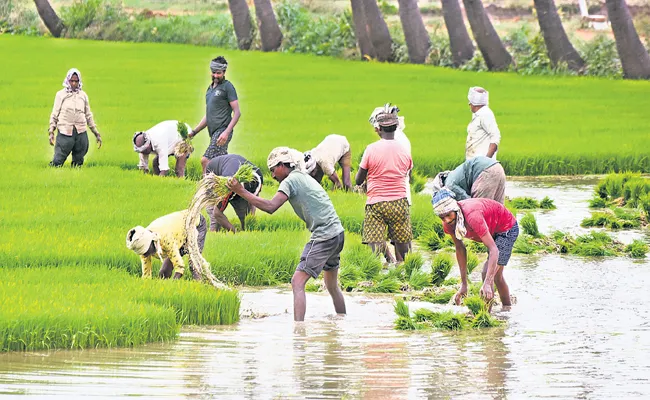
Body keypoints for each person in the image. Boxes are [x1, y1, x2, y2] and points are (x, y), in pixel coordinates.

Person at [226, 147, 346, 322]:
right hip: (337, 234)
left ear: (283, 165)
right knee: (331, 285)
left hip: (324, 235)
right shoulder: (303, 177)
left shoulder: (290, 180)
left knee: (297, 282)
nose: (273, 176)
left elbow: (270, 207)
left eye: (273, 170)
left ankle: (298, 332)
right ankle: (342, 321)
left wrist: (241, 191)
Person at [432, 188, 518, 309]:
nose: (446, 220)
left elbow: (494, 249)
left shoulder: (472, 216)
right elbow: (460, 249)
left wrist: (488, 282)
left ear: (455, 209)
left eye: (448, 215)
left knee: (487, 274)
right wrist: (464, 284)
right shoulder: (448, 224)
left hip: (506, 228)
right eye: (442, 217)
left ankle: (485, 316)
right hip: (492, 229)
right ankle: (506, 309)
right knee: (496, 276)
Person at [356, 110, 413, 262]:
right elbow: (409, 175)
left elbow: (358, 179)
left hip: (376, 203)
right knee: (402, 240)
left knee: (374, 239)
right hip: (400, 202)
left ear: (378, 129)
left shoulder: (371, 149)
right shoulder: (404, 149)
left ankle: (385, 264)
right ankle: (402, 267)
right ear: (396, 127)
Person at [189, 56, 241, 174]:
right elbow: (209, 116)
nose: (216, 76)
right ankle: (229, 183)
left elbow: (237, 113)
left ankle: (205, 188)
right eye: (213, 73)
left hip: (222, 131)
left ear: (224, 72)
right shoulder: (210, 89)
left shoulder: (227, 87)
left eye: (219, 73)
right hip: (213, 133)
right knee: (222, 163)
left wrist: (226, 132)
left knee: (205, 160)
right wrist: (194, 132)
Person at [125, 210, 206, 281]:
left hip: (194, 224)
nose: (146, 255)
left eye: (146, 251)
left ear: (152, 242)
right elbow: (146, 275)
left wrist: (175, 285)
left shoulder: (164, 237)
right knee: (163, 273)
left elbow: (179, 267)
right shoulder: (141, 244)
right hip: (178, 236)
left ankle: (200, 286)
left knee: (194, 265)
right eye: (143, 253)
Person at [48, 68, 102, 167]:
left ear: (79, 81)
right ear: (67, 80)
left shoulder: (83, 95)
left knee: (78, 161)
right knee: (58, 161)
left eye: (76, 81)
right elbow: (54, 114)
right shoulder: (61, 95)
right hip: (65, 131)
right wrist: (51, 131)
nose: (73, 83)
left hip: (80, 132)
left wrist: (96, 133)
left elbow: (88, 115)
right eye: (71, 81)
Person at [205, 154, 263, 232]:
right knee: (214, 217)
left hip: (232, 169)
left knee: (243, 212)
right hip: (214, 173)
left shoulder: (258, 177)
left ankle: (244, 229)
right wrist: (234, 232)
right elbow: (217, 213)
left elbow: (253, 201)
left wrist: (250, 219)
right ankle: (214, 233)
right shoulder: (229, 183)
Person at [432, 156, 507, 204]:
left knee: (479, 209)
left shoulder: (449, 186)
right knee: (499, 209)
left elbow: (468, 202)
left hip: (485, 172)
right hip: (497, 167)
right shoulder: (452, 175)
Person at [466, 87, 501, 160]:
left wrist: (486, 161)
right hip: (474, 162)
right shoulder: (477, 114)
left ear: (475, 104)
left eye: (470, 102)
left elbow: (495, 136)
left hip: (481, 164)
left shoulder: (485, 114)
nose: (469, 104)